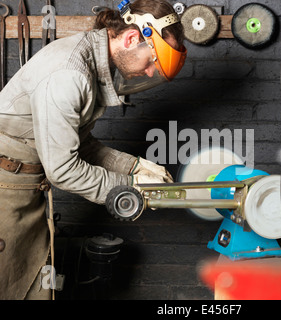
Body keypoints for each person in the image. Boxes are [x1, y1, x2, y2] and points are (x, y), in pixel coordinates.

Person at [0, 0, 186, 300]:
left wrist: (135, 166)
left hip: (28, 188)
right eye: (152, 62)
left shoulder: (91, 60)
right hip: (5, 190)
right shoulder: (69, 74)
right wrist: (131, 188)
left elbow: (78, 144)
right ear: (130, 39)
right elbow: (62, 170)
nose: (151, 73)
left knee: (34, 285)